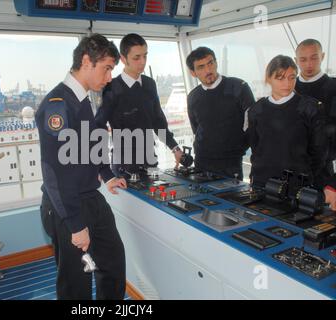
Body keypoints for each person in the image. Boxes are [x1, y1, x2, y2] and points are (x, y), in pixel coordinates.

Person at [35, 34, 127, 300]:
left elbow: (91, 144)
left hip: (90, 197)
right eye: (107, 68)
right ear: (87, 61)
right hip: (66, 205)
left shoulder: (83, 100)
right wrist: (75, 224)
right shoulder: (58, 106)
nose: (109, 77)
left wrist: (107, 175)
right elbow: (55, 173)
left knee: (112, 264)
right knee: (77, 283)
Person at [95, 33, 183, 175]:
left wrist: (175, 148)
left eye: (145, 56)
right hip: (124, 165)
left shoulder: (150, 84)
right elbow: (99, 125)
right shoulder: (111, 87)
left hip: (150, 161)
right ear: (123, 59)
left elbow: (158, 122)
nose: (142, 62)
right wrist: (100, 167)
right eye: (136, 58)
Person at [248, 55, 327, 190]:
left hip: (297, 186)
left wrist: (305, 177)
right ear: (268, 78)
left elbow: (319, 153)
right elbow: (255, 147)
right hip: (262, 183)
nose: (287, 84)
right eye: (280, 78)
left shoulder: (309, 108)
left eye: (291, 77)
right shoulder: (256, 110)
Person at [186, 47, 255, 180]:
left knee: (232, 200)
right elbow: (196, 128)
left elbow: (252, 124)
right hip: (202, 161)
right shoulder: (193, 97)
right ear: (193, 73)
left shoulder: (238, 87)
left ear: (216, 63)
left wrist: (238, 148)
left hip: (231, 162)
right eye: (201, 67)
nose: (208, 70)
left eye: (210, 63)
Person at [295, 39, 336, 177]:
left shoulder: (333, 88)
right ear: (296, 60)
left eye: (314, 58)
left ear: (322, 56)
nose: (309, 64)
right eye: (303, 59)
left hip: (323, 170)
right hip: (290, 167)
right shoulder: (287, 88)